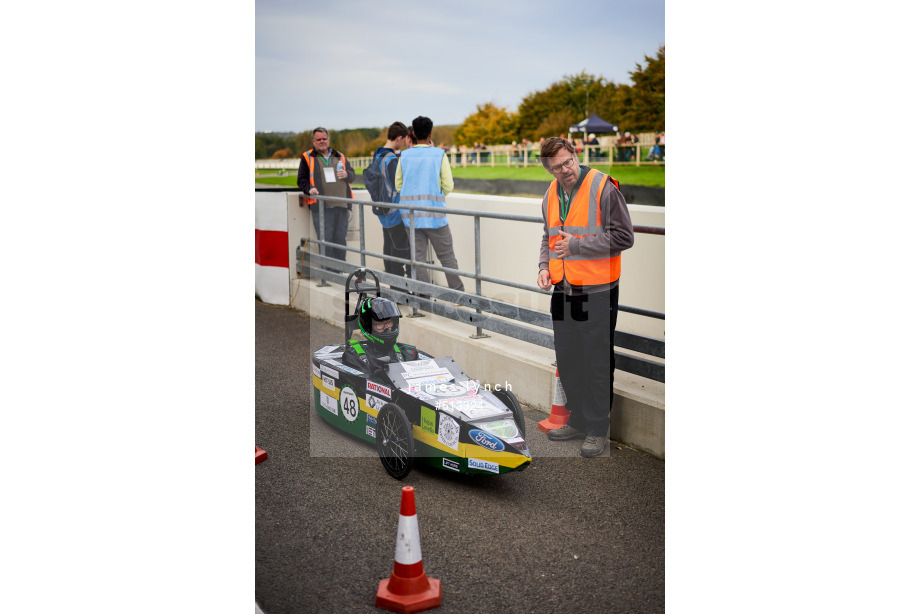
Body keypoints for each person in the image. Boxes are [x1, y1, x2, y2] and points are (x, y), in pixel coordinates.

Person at [536, 137, 634, 458]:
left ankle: (597, 428)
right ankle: (578, 419)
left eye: (568, 162)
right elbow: (548, 236)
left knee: (596, 359)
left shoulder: (604, 188)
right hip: (563, 288)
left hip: (598, 289)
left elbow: (623, 236)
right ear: (547, 169)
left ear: (575, 155)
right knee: (569, 358)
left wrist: (575, 246)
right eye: (557, 167)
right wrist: (543, 267)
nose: (565, 170)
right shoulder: (551, 193)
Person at [395, 116, 465, 292]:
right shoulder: (438, 154)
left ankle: (424, 297)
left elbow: (398, 185)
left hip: (411, 217)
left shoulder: (404, 155)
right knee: (447, 257)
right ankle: (458, 295)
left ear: (413, 133)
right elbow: (448, 185)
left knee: (418, 260)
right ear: (430, 133)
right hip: (435, 216)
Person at [297, 127, 357, 266]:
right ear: (313, 141)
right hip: (322, 207)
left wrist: (347, 174)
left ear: (328, 140)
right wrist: (309, 189)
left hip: (342, 205)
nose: (322, 141)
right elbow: (301, 180)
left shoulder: (339, 155)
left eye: (324, 139)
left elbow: (353, 175)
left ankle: (341, 270)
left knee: (340, 240)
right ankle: (328, 273)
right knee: (326, 240)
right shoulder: (307, 157)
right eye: (318, 139)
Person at [370, 122, 412, 278]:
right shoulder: (391, 160)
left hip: (382, 211)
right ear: (399, 138)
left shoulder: (378, 154)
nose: (403, 144)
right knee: (399, 251)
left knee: (388, 249)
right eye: (403, 141)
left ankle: (392, 287)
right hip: (394, 212)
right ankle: (399, 289)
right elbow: (399, 185)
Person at [342, 297, 420, 375]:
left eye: (389, 322)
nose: (387, 328)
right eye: (380, 324)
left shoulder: (408, 353)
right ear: (368, 326)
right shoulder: (353, 356)